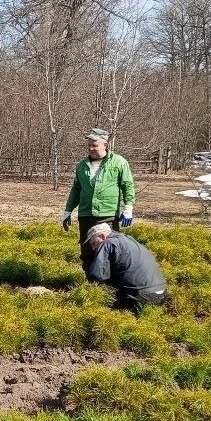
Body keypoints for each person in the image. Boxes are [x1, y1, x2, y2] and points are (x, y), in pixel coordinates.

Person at [61, 128, 136, 264]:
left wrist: (128, 208)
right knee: (87, 252)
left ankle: (109, 278)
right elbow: (76, 189)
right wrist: (68, 211)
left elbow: (128, 186)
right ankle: (91, 277)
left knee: (109, 251)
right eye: (89, 145)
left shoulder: (119, 162)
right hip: (86, 215)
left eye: (94, 145)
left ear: (105, 145)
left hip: (107, 215)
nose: (90, 148)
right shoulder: (81, 166)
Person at [84, 223, 168, 312]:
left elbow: (97, 276)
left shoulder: (107, 243)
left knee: (100, 298)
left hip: (142, 296)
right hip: (161, 294)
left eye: (93, 243)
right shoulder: (129, 239)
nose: (93, 248)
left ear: (102, 236)